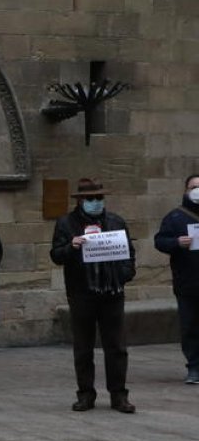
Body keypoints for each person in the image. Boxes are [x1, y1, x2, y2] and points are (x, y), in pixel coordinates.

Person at [51, 178, 137, 413]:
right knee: (83, 347)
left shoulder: (115, 221)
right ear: (80, 201)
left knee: (117, 346)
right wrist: (72, 246)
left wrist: (126, 273)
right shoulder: (67, 224)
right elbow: (56, 255)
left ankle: (119, 394)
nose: (96, 203)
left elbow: (128, 251)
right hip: (82, 293)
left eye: (99, 198)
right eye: (91, 199)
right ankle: (86, 393)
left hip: (112, 292)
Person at [153, 174, 199, 385]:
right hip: (187, 283)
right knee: (190, 326)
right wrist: (176, 242)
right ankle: (194, 367)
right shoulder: (175, 218)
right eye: (193, 187)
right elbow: (160, 241)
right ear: (186, 191)